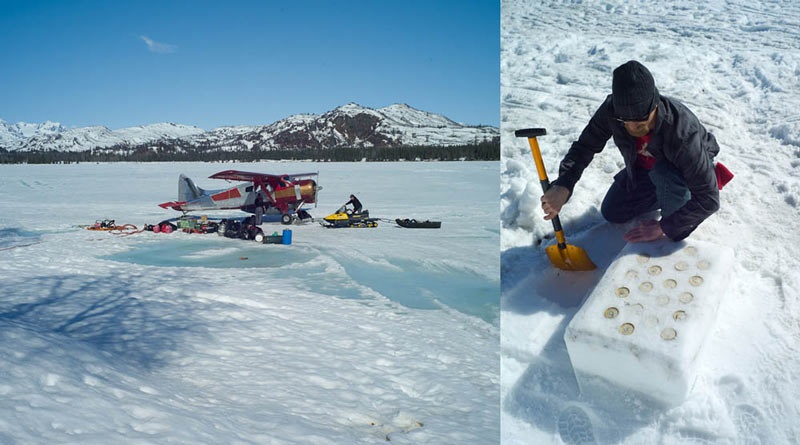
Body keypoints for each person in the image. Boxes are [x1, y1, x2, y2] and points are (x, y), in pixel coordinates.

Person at [541, 60, 732, 243]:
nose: (633, 127)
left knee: (666, 184)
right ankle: (669, 193)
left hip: (678, 171)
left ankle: (694, 186)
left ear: (655, 104)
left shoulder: (681, 132)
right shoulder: (611, 111)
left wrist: (663, 227)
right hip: (645, 169)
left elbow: (709, 199)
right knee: (613, 211)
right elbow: (585, 146)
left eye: (640, 121)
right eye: (625, 121)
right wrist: (564, 185)